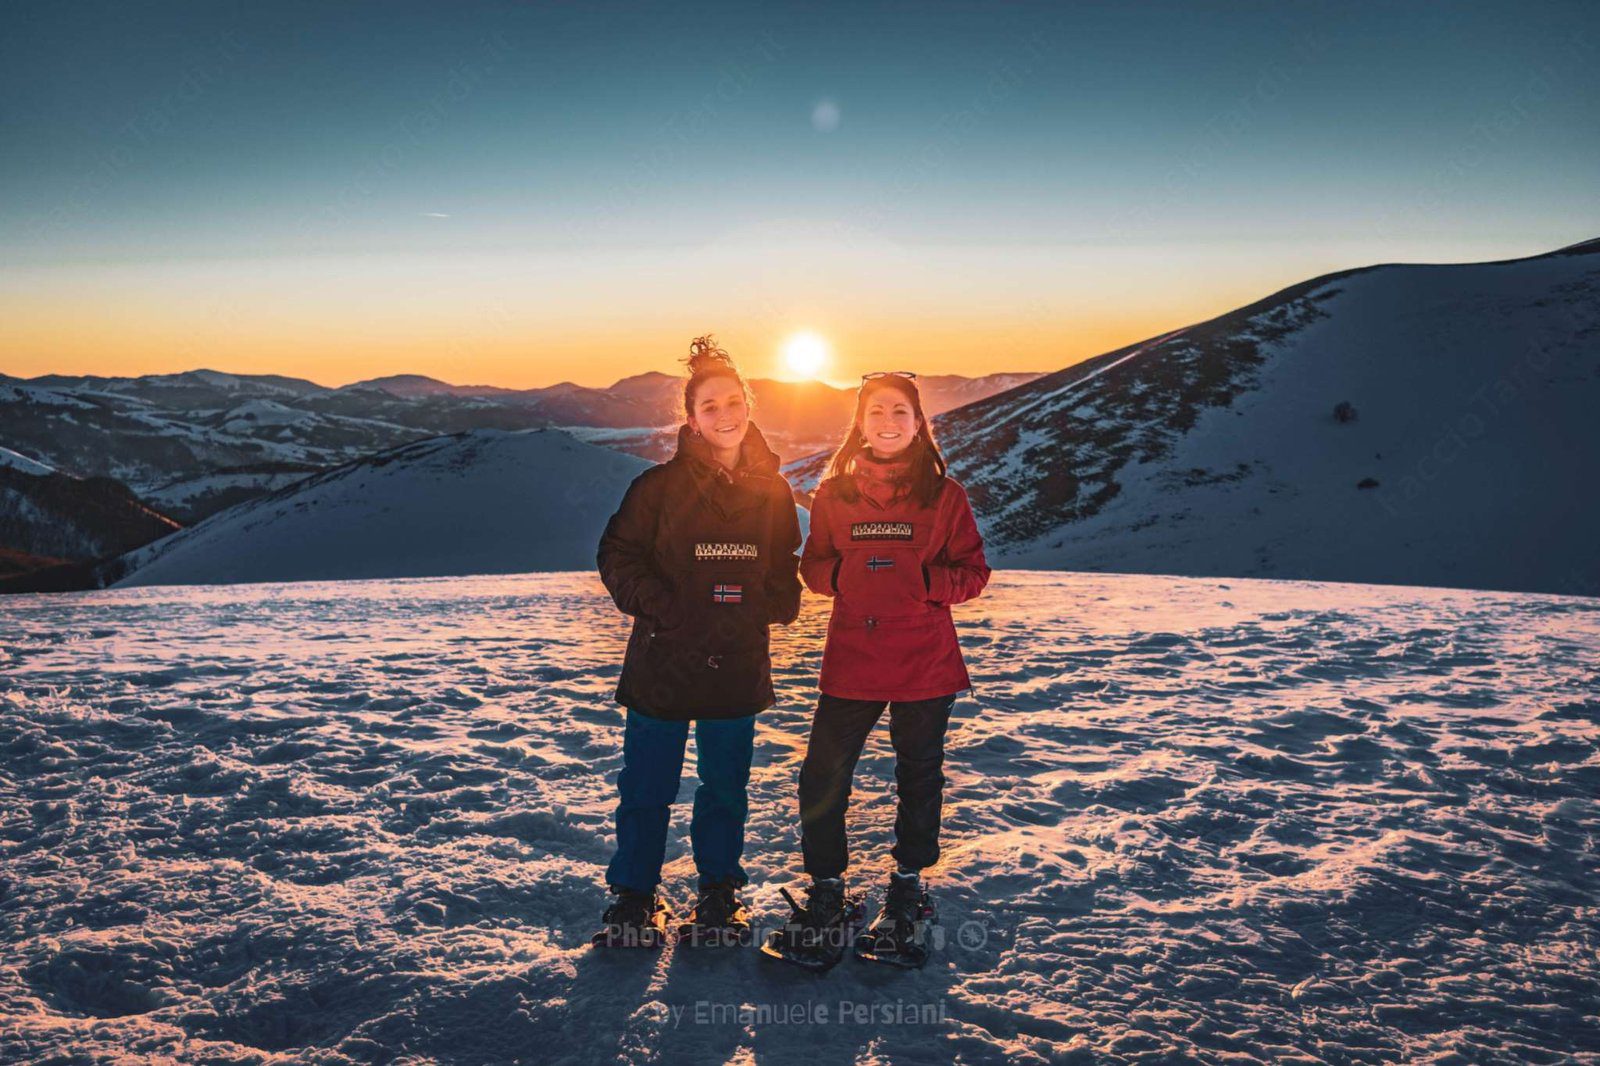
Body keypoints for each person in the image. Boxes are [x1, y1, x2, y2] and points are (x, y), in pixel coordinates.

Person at [772, 370, 990, 968]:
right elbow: (813, 568)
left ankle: (908, 889)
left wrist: (923, 582)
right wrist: (842, 575)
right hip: (853, 660)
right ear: (860, 423)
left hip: (925, 662)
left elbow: (973, 572)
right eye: (875, 412)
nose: (887, 422)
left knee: (918, 777)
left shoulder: (945, 496)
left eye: (899, 411)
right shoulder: (834, 495)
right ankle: (827, 891)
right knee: (822, 776)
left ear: (918, 423)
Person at [593, 335, 803, 948]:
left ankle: (719, 894)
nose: (724, 415)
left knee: (725, 789)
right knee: (647, 787)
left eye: (733, 401)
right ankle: (633, 897)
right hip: (663, 660)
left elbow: (781, 560)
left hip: (736, 661)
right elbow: (617, 555)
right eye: (709, 406)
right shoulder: (658, 488)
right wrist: (664, 607)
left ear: (749, 405)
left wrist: (776, 602)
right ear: (691, 419)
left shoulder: (773, 491)